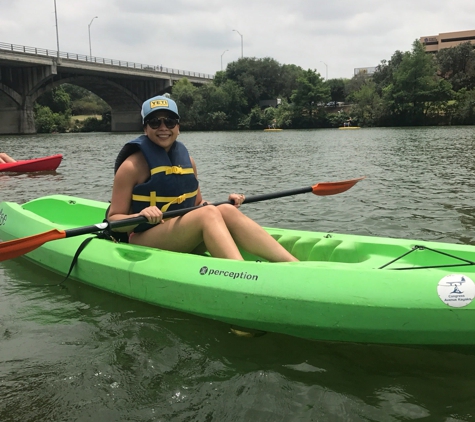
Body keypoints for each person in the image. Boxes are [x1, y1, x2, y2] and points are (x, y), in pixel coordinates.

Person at [107, 95, 298, 262]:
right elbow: (114, 220)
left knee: (222, 210)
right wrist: (142, 215)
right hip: (144, 237)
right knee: (208, 214)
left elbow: (198, 204)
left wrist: (228, 203)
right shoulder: (131, 167)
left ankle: (291, 263)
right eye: (155, 122)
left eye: (170, 122)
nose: (163, 128)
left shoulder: (188, 162)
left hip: (180, 232)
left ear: (178, 127)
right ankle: (242, 272)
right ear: (145, 128)